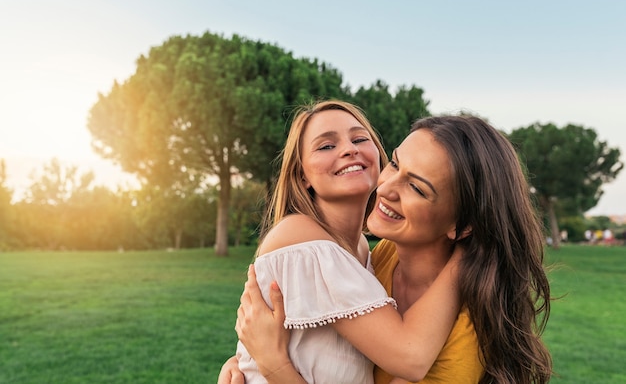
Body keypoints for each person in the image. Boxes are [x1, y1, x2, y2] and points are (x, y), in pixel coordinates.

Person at [220, 114, 553, 384]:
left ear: (463, 226)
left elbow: (410, 357)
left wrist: (274, 365)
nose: (387, 188)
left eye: (417, 188)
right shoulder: (375, 259)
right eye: (395, 164)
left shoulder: (463, 329)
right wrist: (245, 361)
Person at [226, 100, 467, 384]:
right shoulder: (301, 236)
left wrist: (267, 362)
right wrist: (465, 254)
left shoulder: (365, 251)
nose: (349, 149)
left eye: (359, 138)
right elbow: (410, 358)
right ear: (303, 176)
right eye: (326, 146)